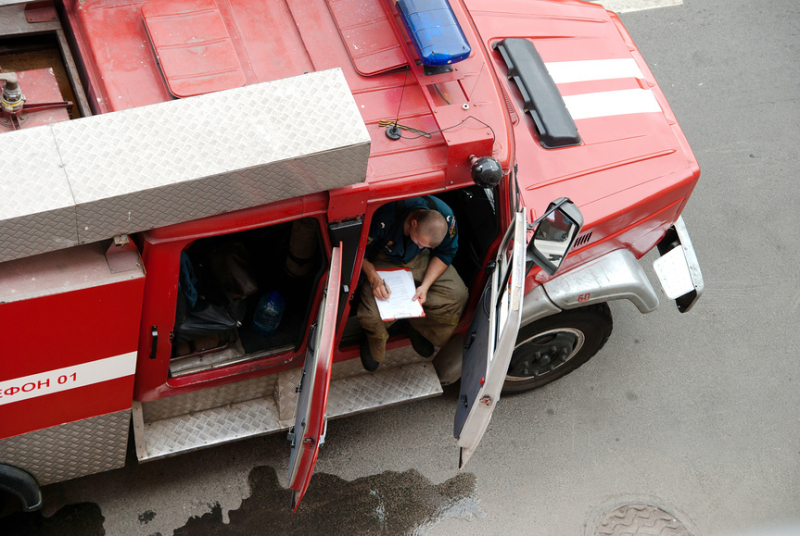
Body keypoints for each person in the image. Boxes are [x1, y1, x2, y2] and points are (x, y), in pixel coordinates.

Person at [357, 196, 468, 371]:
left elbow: (446, 253)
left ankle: (421, 328)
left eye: (426, 246)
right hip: (382, 258)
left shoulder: (446, 218)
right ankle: (375, 342)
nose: (422, 246)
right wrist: (374, 279)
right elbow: (358, 251)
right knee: (372, 311)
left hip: (418, 259)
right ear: (413, 223)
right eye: (420, 242)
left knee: (456, 294)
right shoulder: (385, 216)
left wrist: (425, 285)